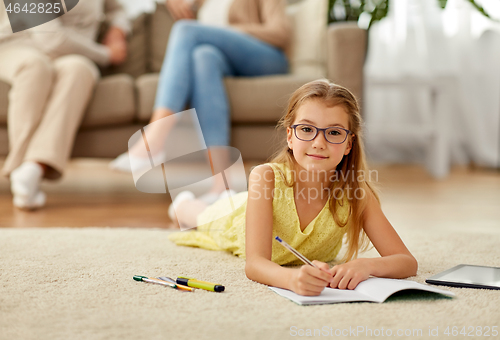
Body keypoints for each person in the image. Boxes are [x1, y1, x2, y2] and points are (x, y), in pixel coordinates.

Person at [168, 79, 418, 296]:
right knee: (194, 214)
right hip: (234, 220)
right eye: (307, 129)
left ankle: (226, 196)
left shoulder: (357, 194)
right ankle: (187, 202)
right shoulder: (264, 177)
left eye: (333, 132)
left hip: (252, 201)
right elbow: (255, 264)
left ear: (349, 144)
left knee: (224, 201)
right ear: (290, 136)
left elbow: (406, 262)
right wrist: (291, 280)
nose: (319, 143)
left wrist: (366, 266)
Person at [110, 0, 291, 198]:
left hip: (266, 57)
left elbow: (281, 32)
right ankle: (222, 186)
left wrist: (224, 31)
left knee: (186, 29)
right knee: (203, 57)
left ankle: (154, 140)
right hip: (224, 59)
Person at [0, 0, 130, 209]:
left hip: (68, 55)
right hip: (16, 45)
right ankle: (19, 166)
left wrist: (118, 29)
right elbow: (50, 38)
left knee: (80, 69)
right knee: (35, 67)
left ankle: (33, 168)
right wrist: (106, 54)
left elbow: (116, 8)